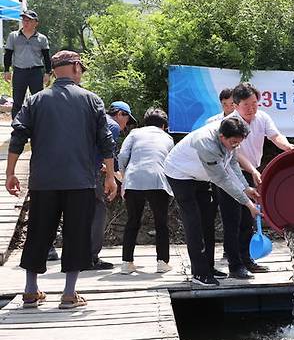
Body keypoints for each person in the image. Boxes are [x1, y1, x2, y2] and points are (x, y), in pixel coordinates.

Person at [6, 50, 117, 309]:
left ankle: (31, 290)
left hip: (44, 181)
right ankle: (69, 293)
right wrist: (110, 176)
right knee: (76, 234)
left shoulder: (35, 101)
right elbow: (106, 142)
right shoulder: (91, 100)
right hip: (80, 180)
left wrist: (10, 172)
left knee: (38, 232)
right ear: (76, 67)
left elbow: (18, 136)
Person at [165, 117, 260, 285]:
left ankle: (208, 266)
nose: (236, 145)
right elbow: (223, 180)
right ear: (222, 136)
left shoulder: (231, 132)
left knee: (207, 220)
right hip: (180, 174)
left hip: (200, 175)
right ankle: (199, 273)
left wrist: (246, 187)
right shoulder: (207, 144)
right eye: (233, 142)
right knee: (194, 222)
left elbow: (232, 163)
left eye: (239, 143)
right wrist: (247, 203)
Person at [222, 82, 294, 276]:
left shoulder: (262, 117)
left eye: (255, 103)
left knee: (248, 219)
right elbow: (235, 153)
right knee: (234, 220)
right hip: (230, 173)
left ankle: (247, 260)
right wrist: (253, 172)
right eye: (246, 104)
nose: (252, 108)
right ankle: (235, 265)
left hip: (252, 171)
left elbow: (275, 136)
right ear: (235, 105)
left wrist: (287, 146)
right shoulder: (231, 122)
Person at [118, 108, 174, 275]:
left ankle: (127, 263)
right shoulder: (168, 138)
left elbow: (122, 155)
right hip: (158, 180)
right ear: (164, 126)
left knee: (132, 221)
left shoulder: (135, 133)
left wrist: (124, 177)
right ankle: (162, 262)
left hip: (134, 179)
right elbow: (171, 162)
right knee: (161, 223)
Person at [88, 100, 137, 270]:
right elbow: (109, 152)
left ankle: (78, 255)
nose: (125, 126)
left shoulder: (94, 120)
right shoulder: (113, 126)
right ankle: (91, 258)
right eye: (127, 120)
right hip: (89, 174)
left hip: (75, 171)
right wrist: (115, 175)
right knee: (98, 211)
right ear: (119, 114)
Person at [3, 10, 52, 119]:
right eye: (24, 20)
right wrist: (6, 70)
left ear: (36, 23)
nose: (26, 23)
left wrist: (48, 73)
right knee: (17, 101)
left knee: (37, 100)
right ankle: (17, 128)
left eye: (29, 20)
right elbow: (8, 54)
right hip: (19, 71)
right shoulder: (13, 36)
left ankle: (37, 126)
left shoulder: (42, 38)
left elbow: (46, 57)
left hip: (36, 72)